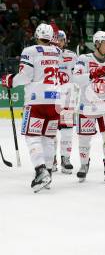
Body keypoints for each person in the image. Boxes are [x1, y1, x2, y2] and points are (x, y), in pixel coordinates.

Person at [1, 23, 61, 192]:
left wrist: (9, 80)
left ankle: (41, 171)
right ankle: (48, 173)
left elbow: (25, 77)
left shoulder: (30, 51)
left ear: (36, 35)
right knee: (48, 138)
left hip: (36, 101)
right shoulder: (58, 52)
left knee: (32, 135)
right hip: (55, 101)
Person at [72, 31, 105, 183]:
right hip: (87, 107)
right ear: (97, 43)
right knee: (84, 139)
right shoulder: (84, 59)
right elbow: (76, 79)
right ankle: (83, 165)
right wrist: (93, 74)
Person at [53, 30, 78, 174]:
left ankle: (65, 158)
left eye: (61, 40)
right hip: (51, 99)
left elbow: (78, 75)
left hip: (68, 100)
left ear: (65, 41)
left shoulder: (72, 56)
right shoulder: (47, 55)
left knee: (67, 132)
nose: (58, 42)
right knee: (51, 132)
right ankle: (51, 159)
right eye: (56, 40)